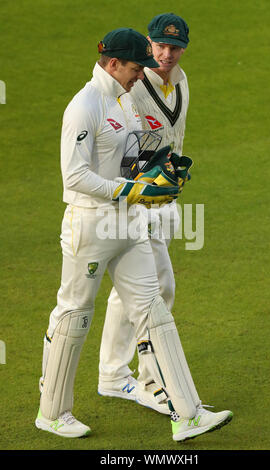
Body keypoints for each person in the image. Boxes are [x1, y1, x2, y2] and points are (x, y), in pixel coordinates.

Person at [35, 27, 179, 438]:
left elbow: (126, 158)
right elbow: (75, 175)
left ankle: (183, 410)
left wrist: (156, 172)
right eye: (136, 67)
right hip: (89, 222)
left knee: (152, 303)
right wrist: (127, 188)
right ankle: (52, 411)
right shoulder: (83, 106)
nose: (141, 75)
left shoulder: (124, 99)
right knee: (75, 313)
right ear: (113, 64)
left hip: (126, 220)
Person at [98, 13, 190, 414]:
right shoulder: (132, 86)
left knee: (128, 292)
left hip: (165, 203)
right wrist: (139, 185)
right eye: (159, 46)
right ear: (148, 45)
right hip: (134, 202)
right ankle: (155, 381)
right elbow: (116, 145)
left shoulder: (182, 83)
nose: (166, 54)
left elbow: (173, 137)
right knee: (157, 289)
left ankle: (113, 374)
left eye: (174, 47)